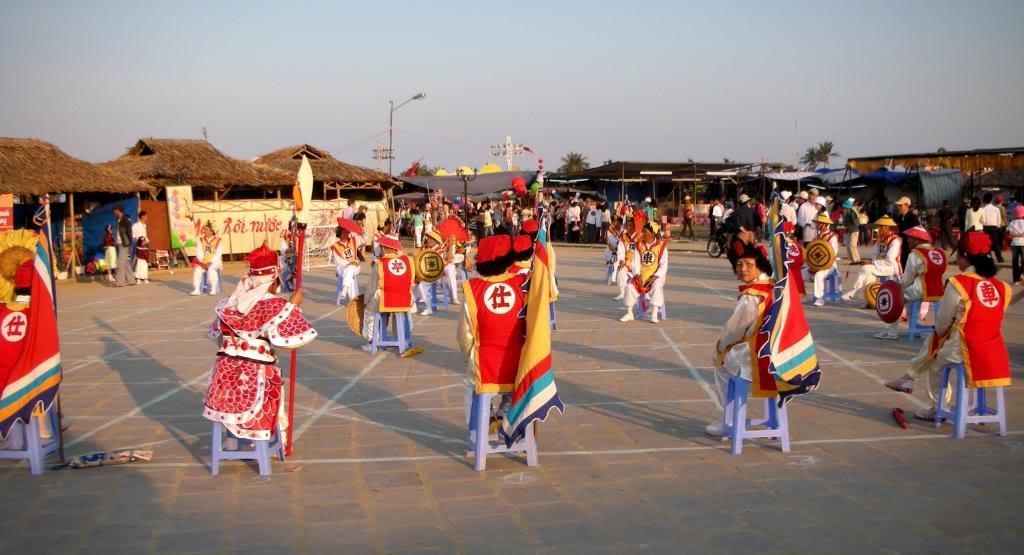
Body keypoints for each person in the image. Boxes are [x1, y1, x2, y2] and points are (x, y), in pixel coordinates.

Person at [883, 232, 1011, 420]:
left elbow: (942, 321)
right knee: (934, 341)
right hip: (994, 347)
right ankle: (907, 378)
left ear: (965, 257)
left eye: (958, 255)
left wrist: (942, 334)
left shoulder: (959, 283)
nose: (957, 260)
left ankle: (936, 405)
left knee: (935, 354)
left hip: (966, 347)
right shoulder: (1002, 286)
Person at [203, 244, 316, 444]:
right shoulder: (274, 305)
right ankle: (263, 440)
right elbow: (288, 345)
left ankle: (232, 438)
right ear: (275, 278)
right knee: (272, 379)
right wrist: (293, 306)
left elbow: (219, 339)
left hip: (222, 380)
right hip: (256, 379)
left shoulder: (230, 303)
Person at [705, 235, 775, 437]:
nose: (743, 268)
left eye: (748, 264)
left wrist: (721, 345)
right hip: (777, 351)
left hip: (759, 355)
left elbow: (734, 330)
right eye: (739, 264)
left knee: (720, 360)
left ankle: (731, 419)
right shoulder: (772, 286)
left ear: (759, 266)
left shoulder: (752, 296)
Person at [456, 235, 527, 426]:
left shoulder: (473, 289)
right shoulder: (523, 284)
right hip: (519, 362)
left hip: (484, 363)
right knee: (519, 385)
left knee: (471, 386)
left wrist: (469, 356)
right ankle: (507, 417)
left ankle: (481, 422)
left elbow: (464, 334)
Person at [874, 226, 947, 340]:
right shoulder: (940, 253)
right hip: (939, 290)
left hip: (922, 289)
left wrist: (895, 286)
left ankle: (891, 331)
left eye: (910, 238)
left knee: (896, 298)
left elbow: (907, 279)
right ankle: (916, 326)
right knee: (910, 297)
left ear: (917, 240)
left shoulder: (915, 254)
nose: (907, 240)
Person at [360, 235, 415, 348]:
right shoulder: (408, 260)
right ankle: (404, 337)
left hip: (385, 299)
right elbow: (411, 282)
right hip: (405, 298)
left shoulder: (380, 264)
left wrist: (366, 301)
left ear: (384, 248)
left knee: (369, 312)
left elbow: (372, 287)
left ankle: (372, 340)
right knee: (405, 311)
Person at [842, 216, 902, 306]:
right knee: (868, 272)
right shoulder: (880, 239)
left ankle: (853, 292)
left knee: (866, 269)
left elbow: (890, 260)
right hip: (880, 265)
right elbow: (874, 254)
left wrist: (872, 263)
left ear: (887, 227)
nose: (879, 228)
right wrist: (869, 261)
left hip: (892, 267)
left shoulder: (895, 240)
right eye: (878, 226)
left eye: (881, 226)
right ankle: (870, 300)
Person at [619, 221, 668, 323]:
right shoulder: (639, 245)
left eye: (645, 232)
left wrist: (655, 276)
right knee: (630, 287)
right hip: (641, 275)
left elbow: (664, 266)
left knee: (657, 286)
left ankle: (654, 314)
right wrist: (637, 274)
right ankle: (629, 313)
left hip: (655, 277)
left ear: (653, 233)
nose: (643, 234)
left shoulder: (662, 246)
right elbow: (635, 262)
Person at [802, 214, 838, 307]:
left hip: (830, 266)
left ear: (825, 225)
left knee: (819, 275)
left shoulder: (832, 236)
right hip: (816, 265)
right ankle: (799, 295)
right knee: (800, 273)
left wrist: (819, 266)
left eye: (818, 223)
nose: (817, 225)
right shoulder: (817, 237)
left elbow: (833, 254)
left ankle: (820, 298)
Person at [331, 220, 364, 304]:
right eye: (343, 233)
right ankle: (351, 296)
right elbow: (337, 261)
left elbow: (364, 239)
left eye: (347, 233)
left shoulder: (353, 241)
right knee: (349, 270)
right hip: (342, 268)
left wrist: (359, 228)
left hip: (355, 266)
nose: (346, 234)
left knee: (351, 268)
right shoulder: (335, 246)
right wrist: (349, 263)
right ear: (339, 234)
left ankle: (345, 289)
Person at [190, 223, 222, 296]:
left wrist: (210, 262)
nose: (204, 231)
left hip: (215, 261)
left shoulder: (218, 240)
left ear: (211, 231)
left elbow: (218, 253)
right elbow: (199, 251)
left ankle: (213, 288)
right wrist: (201, 262)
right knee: (197, 269)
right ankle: (197, 289)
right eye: (204, 229)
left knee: (211, 269)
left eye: (206, 229)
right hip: (203, 261)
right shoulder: (201, 240)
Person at [613, 216, 639, 301]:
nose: (628, 227)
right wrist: (621, 261)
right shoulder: (623, 237)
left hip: (638, 263)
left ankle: (645, 293)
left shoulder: (640, 236)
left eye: (630, 225)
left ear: (634, 226)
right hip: (627, 261)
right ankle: (622, 293)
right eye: (627, 225)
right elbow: (621, 250)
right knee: (621, 270)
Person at [113, 205, 136, 287]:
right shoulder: (118, 220)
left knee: (121, 263)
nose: (114, 212)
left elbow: (129, 232)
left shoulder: (125, 220)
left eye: (115, 210)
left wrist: (130, 243)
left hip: (124, 243)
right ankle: (131, 280)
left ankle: (120, 282)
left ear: (118, 210)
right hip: (120, 243)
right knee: (126, 263)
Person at [981, 193, 1004, 262]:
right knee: (996, 243)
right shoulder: (996, 209)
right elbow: (999, 219)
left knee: (986, 243)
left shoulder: (982, 209)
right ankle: (999, 258)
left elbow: (982, 219)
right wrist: (998, 226)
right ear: (991, 200)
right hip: (994, 227)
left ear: (984, 200)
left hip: (985, 227)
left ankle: (988, 257)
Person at [132, 211, 150, 283]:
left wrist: (146, 241)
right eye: (146, 216)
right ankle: (138, 278)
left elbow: (145, 236)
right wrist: (138, 241)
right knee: (139, 262)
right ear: (142, 216)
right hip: (139, 246)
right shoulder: (135, 225)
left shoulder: (145, 225)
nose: (146, 218)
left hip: (145, 245)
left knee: (145, 262)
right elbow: (133, 235)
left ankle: (145, 278)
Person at [841, 198, 861, 263]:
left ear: (847, 208)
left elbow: (856, 224)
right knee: (848, 246)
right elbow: (845, 222)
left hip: (854, 231)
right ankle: (851, 260)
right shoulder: (846, 213)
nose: (843, 209)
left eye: (844, 208)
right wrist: (843, 226)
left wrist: (846, 227)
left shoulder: (852, 213)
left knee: (852, 245)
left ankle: (857, 260)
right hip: (849, 230)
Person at [1009, 205, 1024, 285]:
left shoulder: (1012, 223)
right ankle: (1021, 276)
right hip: (1023, 244)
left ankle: (1015, 279)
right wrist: (1021, 235)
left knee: (1015, 262)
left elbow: (1010, 234)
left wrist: (1016, 235)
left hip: (1014, 244)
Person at [604, 218, 621, 285]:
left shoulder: (622, 231)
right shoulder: (610, 230)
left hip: (618, 250)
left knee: (616, 265)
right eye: (615, 222)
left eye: (617, 223)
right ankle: (608, 279)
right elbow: (609, 241)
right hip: (610, 250)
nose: (616, 224)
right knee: (610, 264)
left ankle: (614, 278)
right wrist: (613, 249)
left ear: (620, 224)